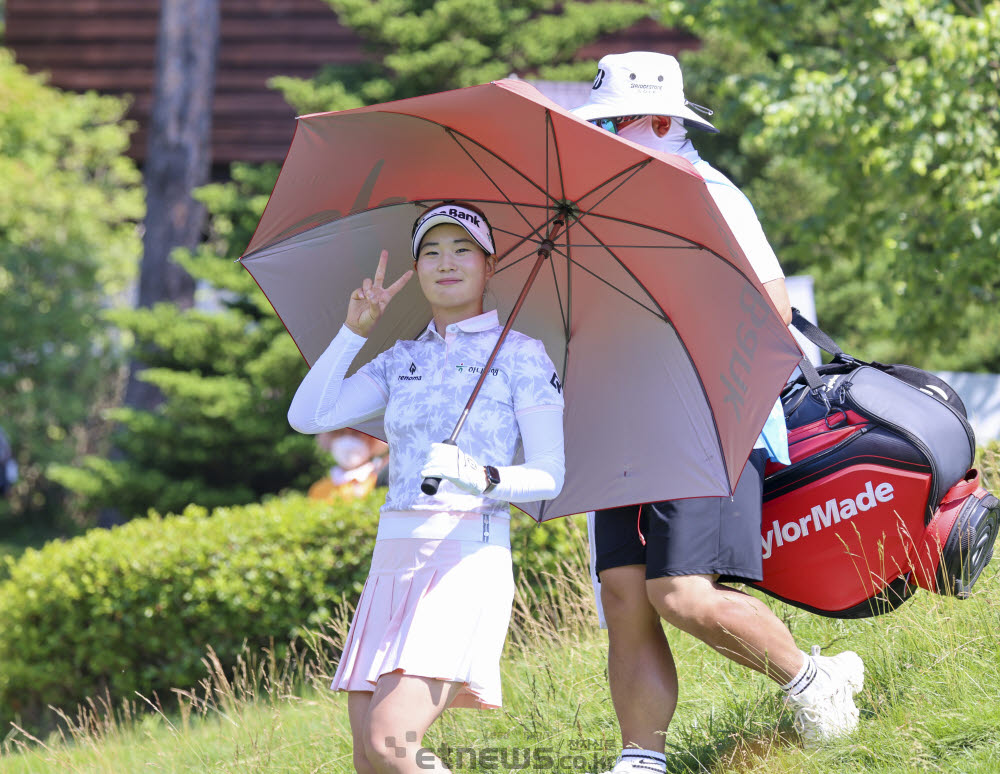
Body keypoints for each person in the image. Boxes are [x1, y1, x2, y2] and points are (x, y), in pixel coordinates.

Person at [571, 52, 864, 769]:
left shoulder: (712, 195)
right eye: (604, 123)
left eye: (622, 122)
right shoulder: (597, 212)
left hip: (707, 415)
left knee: (679, 591)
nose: (610, 135)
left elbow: (772, 308)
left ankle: (813, 679)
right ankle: (641, 756)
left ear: (666, 122)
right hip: (622, 421)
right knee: (623, 594)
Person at [287, 202, 566, 773]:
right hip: (394, 557)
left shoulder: (520, 355)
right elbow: (307, 416)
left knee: (392, 741)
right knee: (371, 755)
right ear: (416, 269)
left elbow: (549, 474)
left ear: (489, 266)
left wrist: (479, 474)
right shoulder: (401, 358)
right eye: (431, 251)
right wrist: (351, 333)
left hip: (465, 553)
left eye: (463, 249)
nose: (446, 262)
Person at [308, 428, 389, 500]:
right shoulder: (319, 489)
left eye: (356, 433)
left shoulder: (383, 483)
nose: (348, 439)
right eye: (341, 433)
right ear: (331, 438)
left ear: (372, 440)